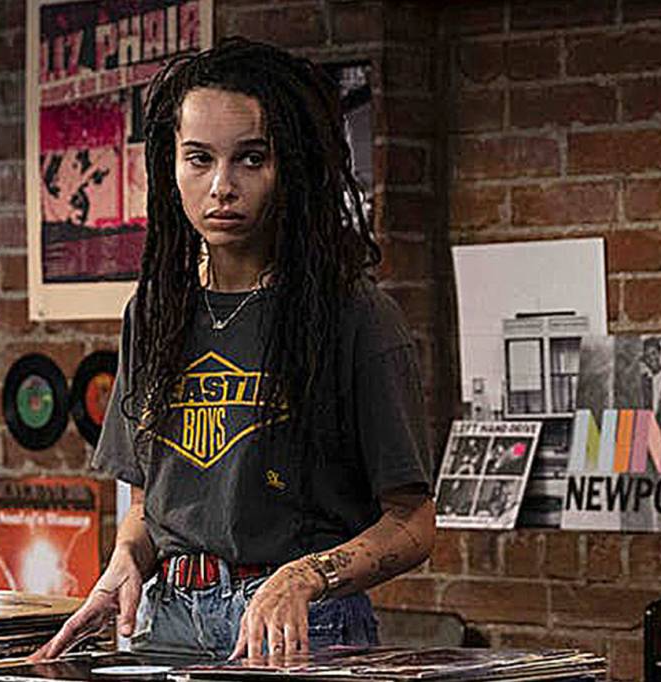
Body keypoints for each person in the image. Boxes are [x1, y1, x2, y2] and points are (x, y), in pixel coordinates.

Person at [30, 37, 435, 664]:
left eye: (251, 159)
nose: (222, 186)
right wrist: (124, 562)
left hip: (300, 624)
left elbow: (413, 522)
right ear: (170, 166)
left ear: (290, 165)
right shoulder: (155, 312)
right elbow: (150, 503)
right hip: (167, 620)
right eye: (199, 159)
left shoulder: (355, 315)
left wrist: (306, 577)